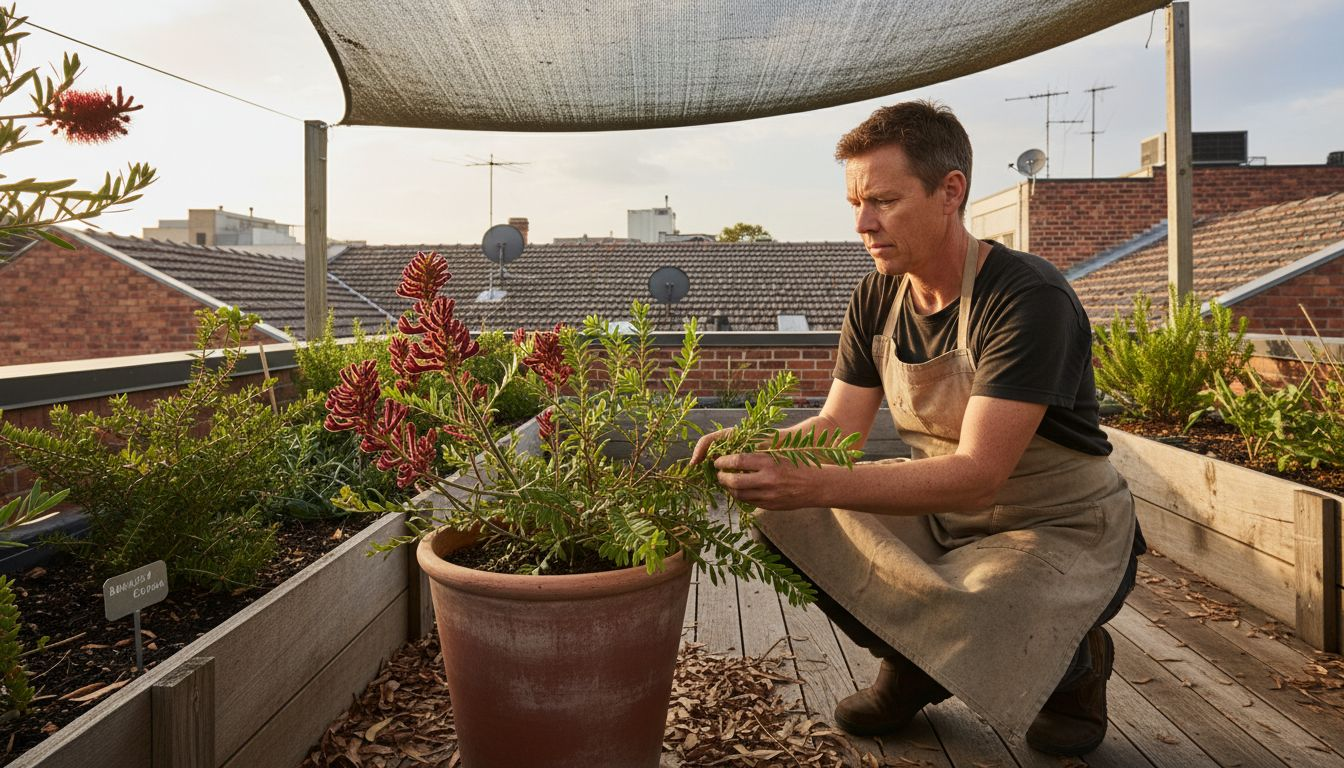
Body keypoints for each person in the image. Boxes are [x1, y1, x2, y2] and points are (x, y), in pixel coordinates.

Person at [690, 100, 1144, 756]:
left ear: (949, 191)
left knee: (986, 598)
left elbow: (977, 476)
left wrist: (812, 483)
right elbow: (838, 430)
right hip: (947, 515)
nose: (862, 223)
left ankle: (1075, 666)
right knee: (786, 518)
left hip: (1056, 525)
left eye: (882, 200)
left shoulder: (1026, 299)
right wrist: (757, 447)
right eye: (855, 202)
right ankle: (916, 663)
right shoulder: (877, 295)